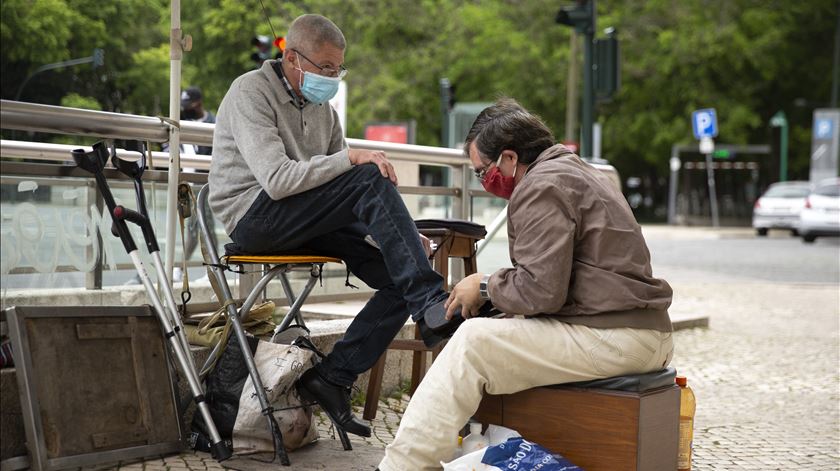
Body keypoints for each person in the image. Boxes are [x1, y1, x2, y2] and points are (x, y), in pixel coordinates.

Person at [378, 98, 675, 471]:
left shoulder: (542, 186)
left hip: (617, 336)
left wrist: (484, 286)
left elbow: (541, 291)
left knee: (472, 344)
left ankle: (400, 467)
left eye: (481, 172)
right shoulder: (575, 172)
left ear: (509, 158)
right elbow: (556, 279)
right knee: (497, 333)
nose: (483, 182)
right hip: (638, 331)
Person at [207, 14, 450, 439]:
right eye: (326, 68)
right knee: (368, 171)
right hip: (254, 217)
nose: (333, 78)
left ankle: (334, 376)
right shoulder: (251, 92)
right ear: (292, 58)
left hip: (302, 218)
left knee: (400, 266)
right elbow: (281, 180)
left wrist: (404, 237)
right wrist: (351, 158)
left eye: (339, 69)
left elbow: (349, 195)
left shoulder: (322, 109)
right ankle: (431, 305)